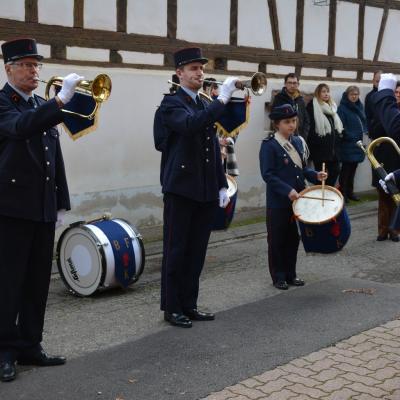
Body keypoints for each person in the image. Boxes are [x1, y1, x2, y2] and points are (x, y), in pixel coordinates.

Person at [0, 38, 83, 382]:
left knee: (37, 283)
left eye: (37, 65)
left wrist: (61, 200)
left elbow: (53, 157)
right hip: (12, 209)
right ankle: (5, 350)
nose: (35, 71)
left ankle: (31, 344)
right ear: (9, 69)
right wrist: (60, 100)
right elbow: (21, 128)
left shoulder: (40, 105)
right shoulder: (4, 104)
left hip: (42, 207)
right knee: (9, 284)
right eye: (27, 65)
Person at [153, 47, 237, 328]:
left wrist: (221, 184)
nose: (199, 73)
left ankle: (189, 304)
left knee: (197, 251)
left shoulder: (202, 103)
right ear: (179, 74)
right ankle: (172, 307)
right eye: (192, 69)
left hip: (203, 188)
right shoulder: (172, 104)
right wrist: (222, 99)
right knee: (176, 250)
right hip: (180, 188)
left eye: (201, 68)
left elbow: (212, 148)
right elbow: (189, 126)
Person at [259, 104, 327, 290]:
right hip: (279, 201)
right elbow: (268, 174)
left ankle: (291, 274)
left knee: (293, 238)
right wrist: (287, 190)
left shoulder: (297, 142)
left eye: (294, 121)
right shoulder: (269, 145)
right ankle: (278, 276)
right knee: (277, 239)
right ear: (277, 124)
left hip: (298, 198)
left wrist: (315, 176)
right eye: (287, 122)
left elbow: (302, 169)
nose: (292, 125)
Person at [368, 75, 400, 242]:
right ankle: (382, 230)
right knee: (383, 196)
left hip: (397, 158)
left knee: (397, 195)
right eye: (396, 92)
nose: (398, 95)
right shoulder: (382, 110)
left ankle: (394, 230)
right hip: (383, 157)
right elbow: (373, 131)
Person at [307, 83, 344, 187]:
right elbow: (310, 127)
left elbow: (336, 128)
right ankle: (319, 195)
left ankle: (328, 190)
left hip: (333, 149)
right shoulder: (312, 107)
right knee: (320, 175)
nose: (326, 94)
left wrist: (339, 138)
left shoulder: (332, 108)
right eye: (323, 91)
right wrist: (316, 142)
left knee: (335, 170)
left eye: (327, 91)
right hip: (320, 149)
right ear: (318, 93)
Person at [203, 77, 239, 177]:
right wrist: (217, 141)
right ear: (205, 89)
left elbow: (234, 125)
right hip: (208, 150)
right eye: (213, 87)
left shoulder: (224, 104)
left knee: (224, 180)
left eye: (217, 87)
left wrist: (229, 140)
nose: (216, 91)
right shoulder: (201, 104)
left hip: (224, 150)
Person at [337, 86, 368, 203]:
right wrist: (350, 136)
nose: (354, 96)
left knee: (353, 170)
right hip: (347, 144)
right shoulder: (342, 109)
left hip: (358, 145)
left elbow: (363, 122)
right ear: (347, 95)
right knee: (345, 171)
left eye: (356, 94)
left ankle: (350, 192)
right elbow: (341, 127)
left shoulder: (359, 107)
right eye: (352, 94)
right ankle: (342, 193)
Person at [271, 73, 310, 140]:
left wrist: (303, 136)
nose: (292, 85)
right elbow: (275, 119)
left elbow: (306, 120)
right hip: (283, 138)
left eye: (294, 83)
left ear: (298, 84)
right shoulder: (279, 98)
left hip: (299, 138)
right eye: (289, 83)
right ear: (285, 84)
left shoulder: (300, 100)